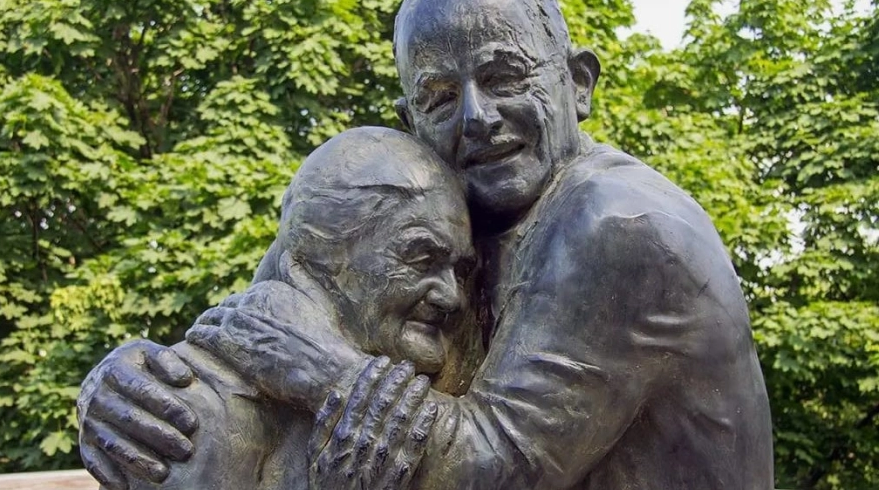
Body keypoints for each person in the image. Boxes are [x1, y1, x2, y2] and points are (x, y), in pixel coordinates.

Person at [79, 0, 775, 488]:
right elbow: (264, 321)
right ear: (412, 118)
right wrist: (127, 387)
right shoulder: (445, 202)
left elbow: (489, 469)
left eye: (504, 77)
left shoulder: (617, 223)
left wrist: (323, 372)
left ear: (578, 82)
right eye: (441, 96)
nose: (476, 117)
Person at [77, 127, 481, 489]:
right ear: (325, 255)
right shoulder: (192, 413)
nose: (452, 297)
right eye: (420, 258)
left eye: (460, 271)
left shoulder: (447, 358)